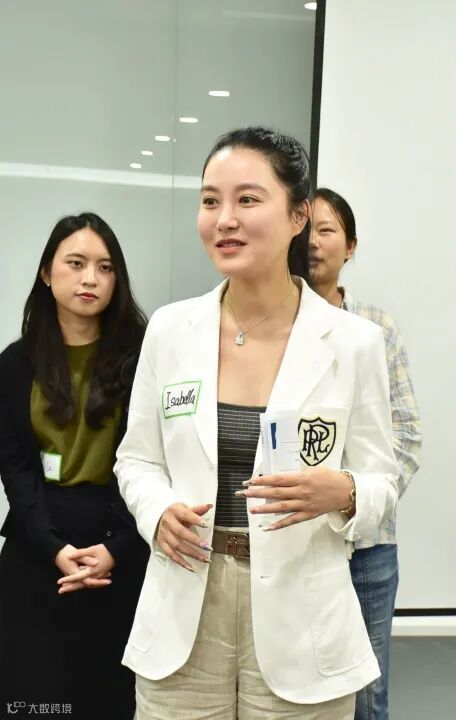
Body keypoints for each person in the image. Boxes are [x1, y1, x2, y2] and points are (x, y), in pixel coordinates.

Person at [115, 126, 399, 720]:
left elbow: (382, 481)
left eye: (247, 199)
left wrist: (345, 491)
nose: (224, 219)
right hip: (187, 600)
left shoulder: (353, 342)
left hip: (303, 615)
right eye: (210, 200)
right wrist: (157, 511)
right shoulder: (170, 330)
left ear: (298, 215)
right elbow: (136, 459)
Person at [0, 212, 149, 720]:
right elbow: (16, 471)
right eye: (76, 263)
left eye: (105, 268)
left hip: (120, 551)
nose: (91, 279)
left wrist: (116, 547)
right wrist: (54, 548)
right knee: (35, 701)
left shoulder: (143, 359)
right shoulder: (15, 363)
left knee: (110, 700)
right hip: (37, 552)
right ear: (47, 272)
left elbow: (154, 463)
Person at [310, 187, 422, 720]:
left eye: (326, 230)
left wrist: (356, 499)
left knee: (366, 697)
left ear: (350, 246)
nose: (313, 242)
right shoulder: (273, 325)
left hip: (369, 545)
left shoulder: (378, 328)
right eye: (305, 230)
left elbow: (407, 435)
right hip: (295, 542)